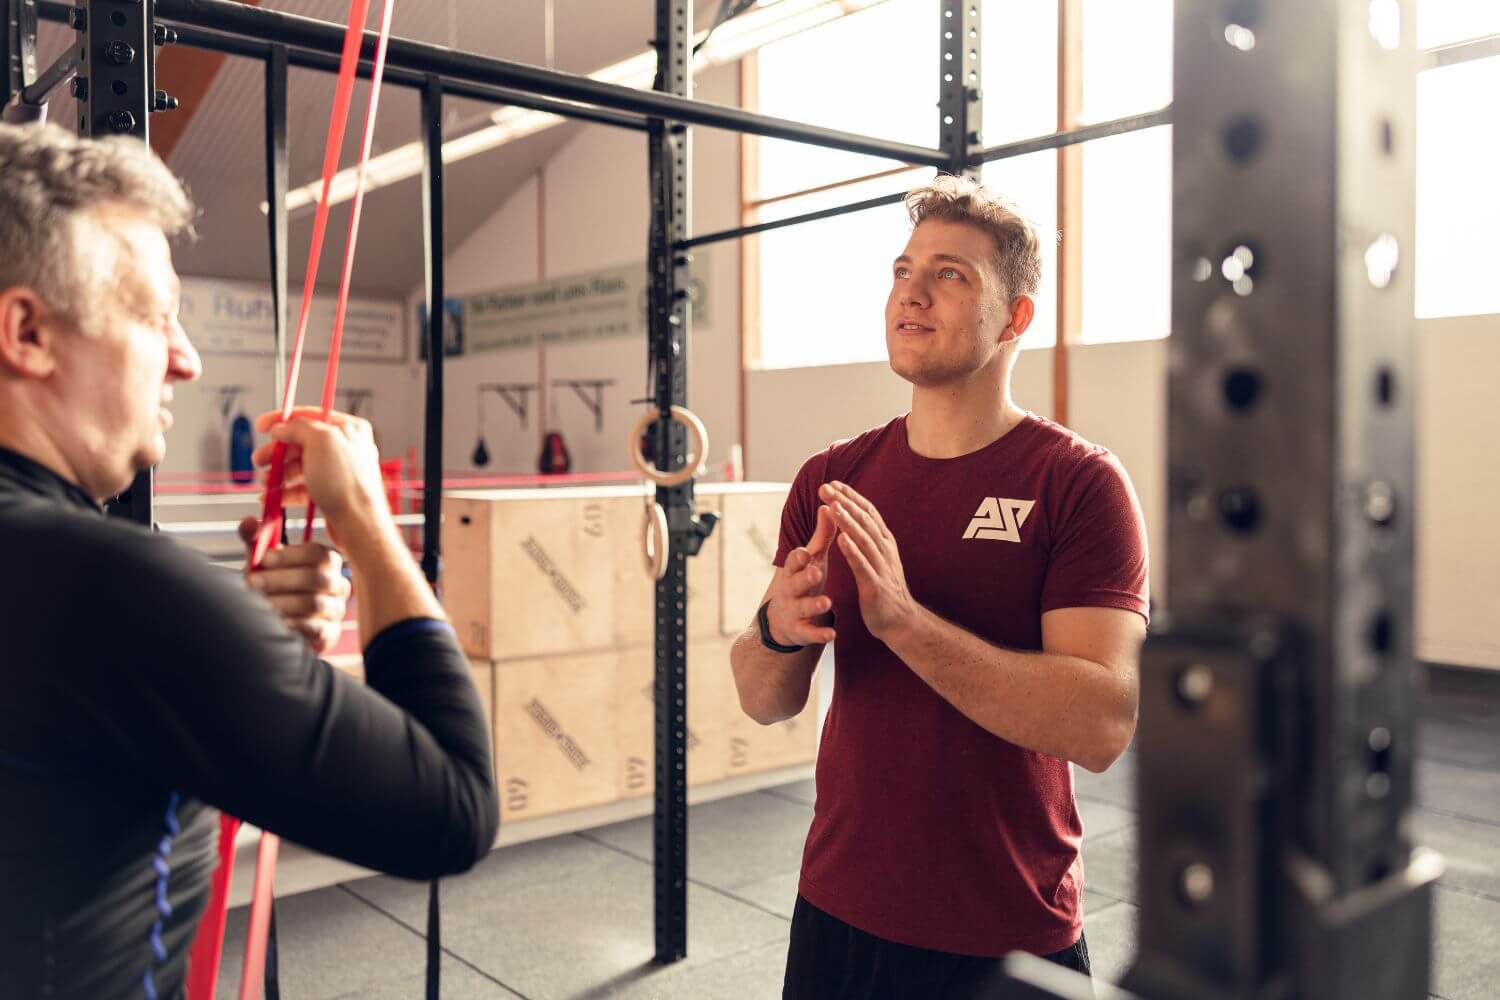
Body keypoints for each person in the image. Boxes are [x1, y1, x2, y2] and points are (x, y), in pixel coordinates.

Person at [0, 123, 497, 998]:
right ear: (27, 331)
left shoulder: (105, 607)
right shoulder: (120, 590)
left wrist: (228, 647)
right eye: (155, 316)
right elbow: (451, 810)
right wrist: (368, 525)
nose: (186, 359)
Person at [729, 176, 1149, 998]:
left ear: (1015, 317)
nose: (910, 294)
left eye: (950, 274)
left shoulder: (1078, 485)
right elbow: (762, 698)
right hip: (838, 913)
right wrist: (776, 628)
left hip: (1006, 933)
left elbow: (1102, 724)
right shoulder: (834, 476)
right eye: (901, 270)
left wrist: (907, 625)